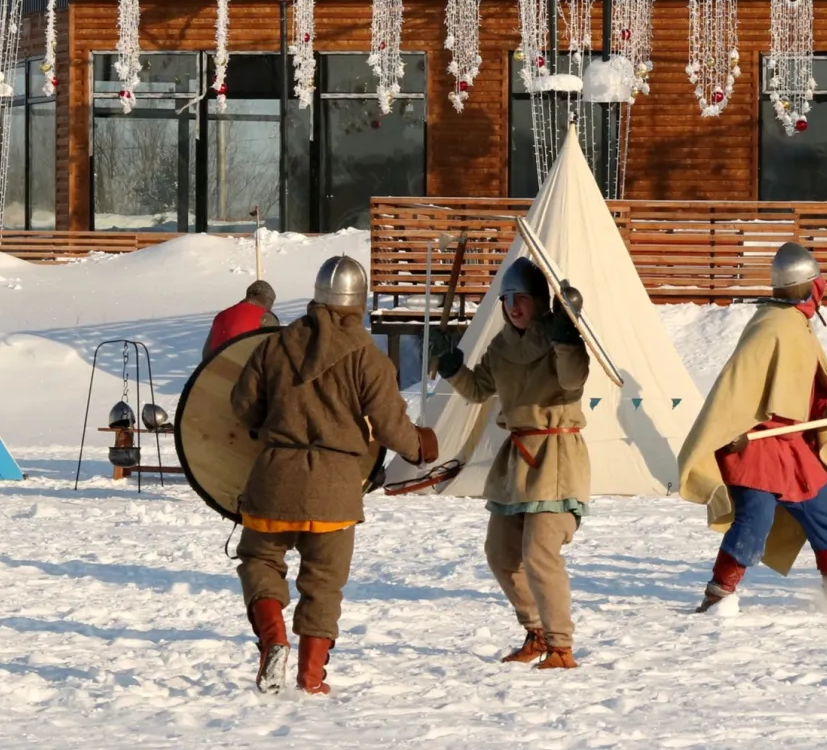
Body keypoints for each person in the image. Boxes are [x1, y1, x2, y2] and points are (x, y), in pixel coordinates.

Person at [230, 256, 437, 695]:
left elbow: (244, 405)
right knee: (323, 583)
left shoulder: (273, 347)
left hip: (275, 479)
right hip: (336, 487)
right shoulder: (368, 359)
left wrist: (266, 426)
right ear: (357, 302)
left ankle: (273, 640)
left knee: (261, 560)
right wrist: (420, 447)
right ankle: (311, 678)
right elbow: (389, 425)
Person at [678, 243, 827, 613]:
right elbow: (737, 386)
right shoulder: (772, 326)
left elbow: (804, 390)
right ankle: (718, 595)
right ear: (809, 286)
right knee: (754, 520)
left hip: (790, 445)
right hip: (756, 444)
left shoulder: (796, 325)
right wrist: (732, 426)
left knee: (824, 509)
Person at [437, 256, 591, 670]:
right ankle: (536, 630)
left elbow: (574, 380)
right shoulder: (502, 346)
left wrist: (567, 339)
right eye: (507, 298)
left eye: (521, 297)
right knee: (501, 553)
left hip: (556, 458)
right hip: (516, 461)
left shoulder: (563, 338)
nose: (513, 306)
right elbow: (477, 390)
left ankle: (560, 646)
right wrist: (453, 370)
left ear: (540, 301)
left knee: (540, 553)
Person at [206, 280, 280, 357]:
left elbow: (206, 353)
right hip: (246, 364)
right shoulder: (265, 316)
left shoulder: (220, 316)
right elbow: (275, 351)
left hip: (216, 365)